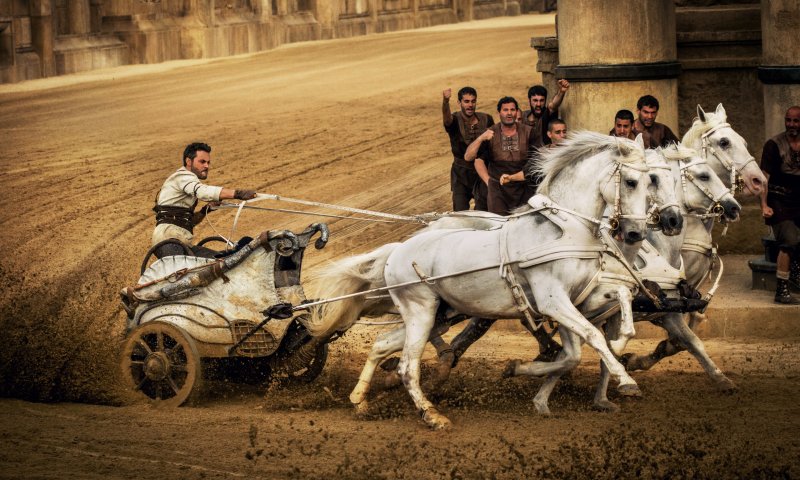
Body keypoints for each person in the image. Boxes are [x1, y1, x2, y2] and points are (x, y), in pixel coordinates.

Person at [152, 142, 257, 258]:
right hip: (168, 242)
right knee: (220, 263)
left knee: (223, 261)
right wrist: (238, 194)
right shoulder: (182, 176)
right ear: (188, 161)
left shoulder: (186, 183)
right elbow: (203, 192)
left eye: (208, 162)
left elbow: (187, 221)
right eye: (202, 162)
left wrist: (205, 210)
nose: (207, 166)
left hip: (181, 243)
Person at [465, 96, 536, 215]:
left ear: (516, 112)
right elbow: (470, 158)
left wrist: (516, 177)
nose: (509, 113)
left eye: (512, 110)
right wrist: (488, 182)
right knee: (498, 223)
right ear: (499, 113)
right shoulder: (490, 133)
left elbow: (536, 160)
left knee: (524, 222)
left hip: (523, 188)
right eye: (505, 110)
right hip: (498, 191)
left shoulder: (530, 132)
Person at [760, 106, 800, 304]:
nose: (791, 124)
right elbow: (763, 179)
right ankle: (781, 289)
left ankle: (795, 272)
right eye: (788, 120)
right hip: (779, 201)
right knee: (789, 240)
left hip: (799, 200)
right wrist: (764, 205)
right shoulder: (773, 145)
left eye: (796, 121)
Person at [443, 86, 495, 211]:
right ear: (459, 102)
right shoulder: (454, 120)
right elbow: (447, 119)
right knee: (460, 213)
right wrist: (445, 102)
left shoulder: (486, 119)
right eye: (466, 101)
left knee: (483, 212)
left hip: (481, 172)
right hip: (460, 174)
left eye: (473, 101)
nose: (470, 105)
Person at [500, 118, 568, 192]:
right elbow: (527, 173)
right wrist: (510, 177)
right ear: (549, 134)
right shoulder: (543, 153)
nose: (562, 135)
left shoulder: (573, 151)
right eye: (558, 132)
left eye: (564, 132)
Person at [520, 79, 570, 148]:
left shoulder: (546, 115)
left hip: (544, 153)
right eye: (535, 100)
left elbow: (554, 105)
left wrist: (561, 92)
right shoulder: (523, 116)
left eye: (542, 100)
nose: (538, 104)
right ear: (529, 100)